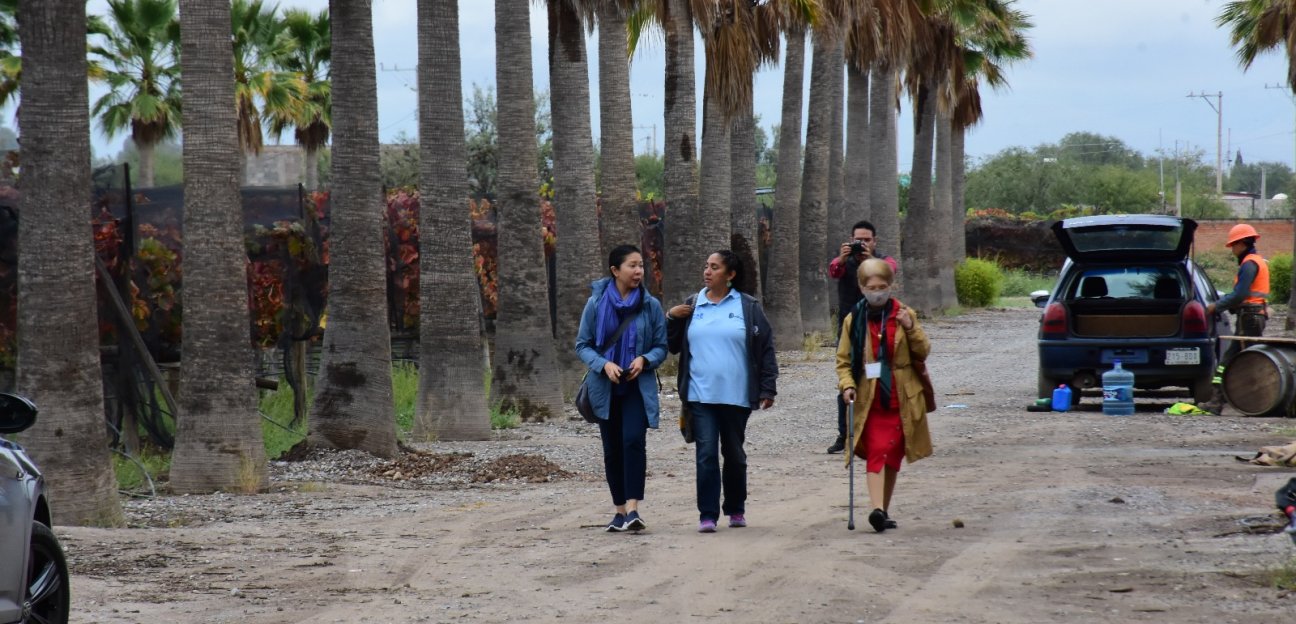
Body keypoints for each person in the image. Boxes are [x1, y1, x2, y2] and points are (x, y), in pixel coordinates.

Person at [667, 250, 778, 533]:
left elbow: (765, 349)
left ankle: (736, 508)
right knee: (705, 453)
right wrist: (672, 317)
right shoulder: (693, 305)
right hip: (699, 394)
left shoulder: (748, 306)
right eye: (706, 266)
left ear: (730, 275)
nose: (707, 271)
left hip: (737, 395)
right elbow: (672, 345)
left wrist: (768, 387)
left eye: (714, 267)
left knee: (734, 453)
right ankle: (707, 514)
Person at [575, 244, 668, 532]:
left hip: (637, 388)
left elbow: (661, 347)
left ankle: (632, 509)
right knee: (612, 449)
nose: (639, 270)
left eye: (641, 265)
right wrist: (604, 365)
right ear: (615, 271)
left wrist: (644, 359)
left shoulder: (650, 305)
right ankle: (618, 511)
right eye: (632, 265)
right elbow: (582, 345)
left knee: (632, 441)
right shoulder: (595, 304)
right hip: (605, 388)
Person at [835, 258, 932, 533]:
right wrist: (847, 385)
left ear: (890, 286)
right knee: (878, 450)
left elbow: (923, 351)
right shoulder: (853, 319)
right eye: (872, 286)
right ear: (862, 287)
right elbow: (843, 361)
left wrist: (911, 328)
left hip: (902, 396)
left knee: (893, 455)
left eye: (883, 286)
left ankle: (883, 510)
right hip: (871, 397)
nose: (877, 291)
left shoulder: (904, 313)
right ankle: (876, 509)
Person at [826, 220, 898, 454]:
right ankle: (844, 435)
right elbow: (833, 270)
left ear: (874, 241)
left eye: (866, 240)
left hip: (880, 325)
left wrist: (868, 261)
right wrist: (844, 258)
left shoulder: (884, 261)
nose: (862, 243)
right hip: (850, 326)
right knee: (847, 378)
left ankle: (881, 431)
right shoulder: (844, 262)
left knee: (883, 376)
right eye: (858, 240)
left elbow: (889, 272)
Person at [1201, 223, 1270, 413]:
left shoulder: (1249, 264)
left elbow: (1240, 295)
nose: (1232, 249)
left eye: (1233, 245)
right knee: (1245, 360)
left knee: (1232, 362)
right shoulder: (1256, 261)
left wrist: (1216, 306)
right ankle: (1226, 401)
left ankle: (1218, 402)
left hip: (1249, 317)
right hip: (1254, 316)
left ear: (1242, 243)